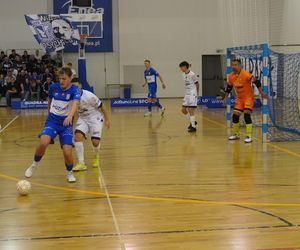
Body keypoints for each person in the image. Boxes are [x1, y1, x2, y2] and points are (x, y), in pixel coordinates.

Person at [24, 67, 81, 183]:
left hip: (66, 124)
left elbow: (75, 104)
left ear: (70, 78)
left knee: (67, 151)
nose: (61, 81)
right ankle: (34, 165)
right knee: (43, 142)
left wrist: (70, 116)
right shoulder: (53, 87)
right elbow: (50, 100)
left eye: (64, 78)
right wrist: (49, 112)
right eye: (60, 78)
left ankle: (69, 173)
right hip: (52, 121)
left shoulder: (75, 90)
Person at [223, 59, 267, 143]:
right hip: (239, 99)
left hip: (248, 98)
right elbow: (229, 87)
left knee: (246, 114)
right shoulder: (231, 76)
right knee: (235, 116)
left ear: (240, 66)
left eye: (235, 65)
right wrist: (225, 97)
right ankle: (236, 134)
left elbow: (257, 82)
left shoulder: (246, 74)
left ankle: (249, 136)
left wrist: (262, 93)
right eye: (233, 65)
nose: (234, 66)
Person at [71, 78, 110, 171]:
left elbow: (102, 106)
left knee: (95, 142)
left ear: (80, 86)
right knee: (77, 137)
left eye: (77, 86)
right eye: (73, 86)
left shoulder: (89, 95)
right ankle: (81, 163)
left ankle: (96, 155)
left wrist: (107, 120)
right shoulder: (71, 96)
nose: (75, 88)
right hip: (83, 118)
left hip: (95, 118)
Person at [179, 61, 199, 133]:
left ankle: (193, 127)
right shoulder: (183, 74)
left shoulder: (192, 74)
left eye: (181, 67)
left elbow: (197, 84)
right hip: (187, 94)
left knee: (190, 109)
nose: (180, 69)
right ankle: (193, 121)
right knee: (183, 110)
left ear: (185, 67)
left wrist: (197, 94)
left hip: (192, 93)